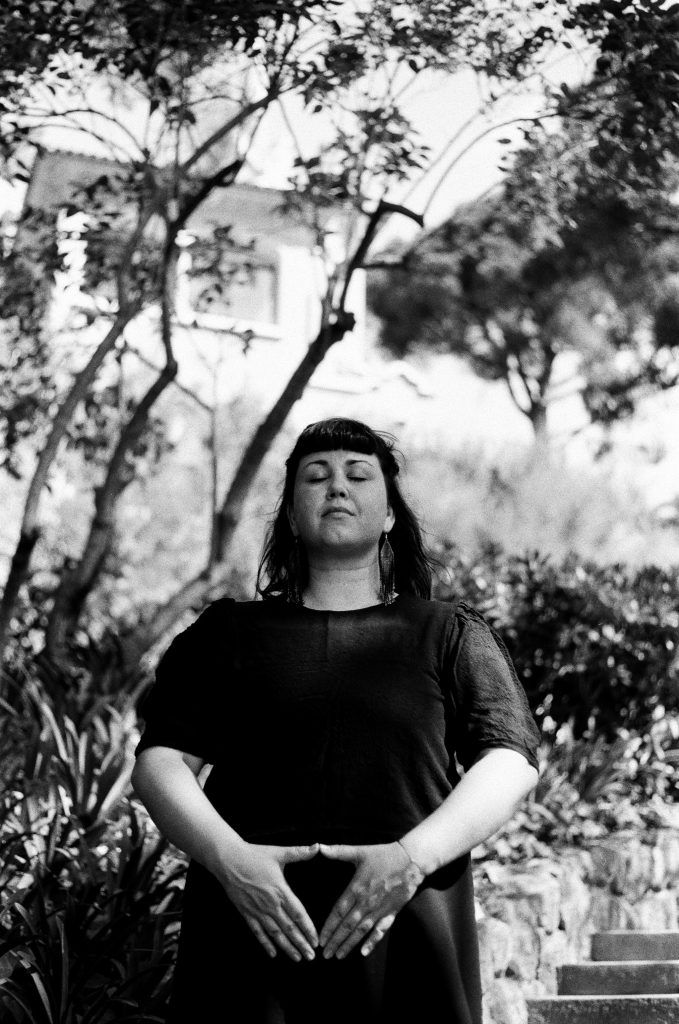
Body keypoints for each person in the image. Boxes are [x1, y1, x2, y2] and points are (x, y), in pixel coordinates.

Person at [131, 417, 540, 1024]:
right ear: (292, 517)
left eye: (358, 475)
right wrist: (232, 861)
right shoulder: (226, 636)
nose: (338, 487)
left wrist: (412, 859)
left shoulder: (448, 634)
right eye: (316, 476)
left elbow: (509, 760)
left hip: (409, 929)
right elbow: (160, 764)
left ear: (390, 514)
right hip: (248, 933)